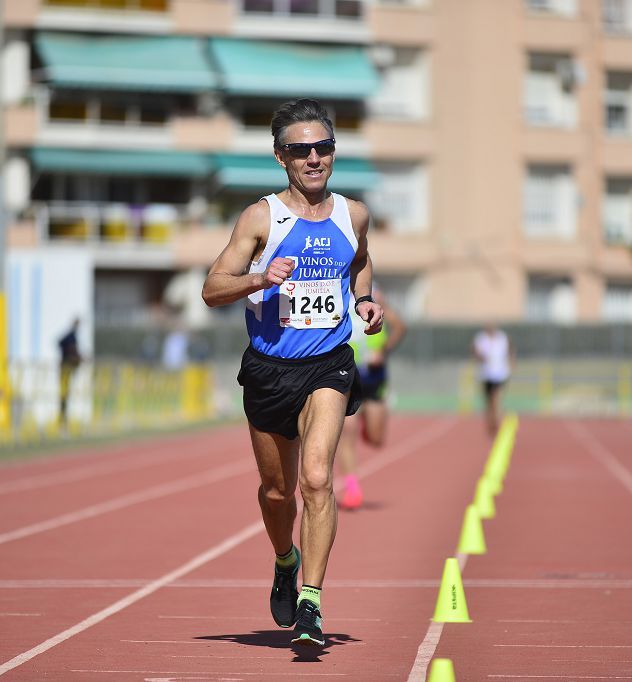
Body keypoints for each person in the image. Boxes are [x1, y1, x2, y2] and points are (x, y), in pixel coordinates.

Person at [202, 98, 383, 648]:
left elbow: (361, 261)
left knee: (317, 479)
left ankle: (311, 604)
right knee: (278, 493)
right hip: (268, 368)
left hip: (328, 362)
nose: (314, 158)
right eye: (301, 149)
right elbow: (212, 289)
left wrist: (365, 299)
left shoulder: (353, 215)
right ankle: (285, 557)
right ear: (281, 156)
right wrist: (258, 279)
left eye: (323, 147)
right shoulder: (261, 218)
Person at [336, 287, 407, 510]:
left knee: (376, 439)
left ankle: (368, 423)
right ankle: (352, 489)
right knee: (347, 433)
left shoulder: (375, 295)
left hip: (374, 378)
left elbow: (400, 327)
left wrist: (383, 351)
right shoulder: (333, 292)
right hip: (347, 375)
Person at [473, 322, 514, 437]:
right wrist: (480, 357)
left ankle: (496, 421)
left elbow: (510, 349)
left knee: (496, 398)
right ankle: (491, 422)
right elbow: (475, 351)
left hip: (500, 374)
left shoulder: (502, 338)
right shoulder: (481, 339)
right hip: (486, 375)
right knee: (488, 402)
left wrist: (512, 361)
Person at [58, 317, 81, 426]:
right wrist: (69, 355)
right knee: (64, 394)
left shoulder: (72, 336)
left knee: (66, 394)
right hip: (65, 368)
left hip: (67, 368)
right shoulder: (70, 336)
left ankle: (64, 419)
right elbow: (61, 344)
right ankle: (63, 420)